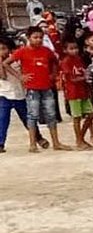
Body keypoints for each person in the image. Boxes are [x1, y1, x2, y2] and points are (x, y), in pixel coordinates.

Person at [9, 25, 68, 153]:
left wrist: (53, 74)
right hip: (32, 88)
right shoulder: (22, 51)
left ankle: (56, 142)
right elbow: (6, 63)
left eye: (40, 37)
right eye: (35, 37)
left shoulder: (46, 51)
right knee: (32, 115)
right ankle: (32, 144)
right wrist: (20, 76)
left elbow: (55, 62)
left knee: (51, 115)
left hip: (46, 86)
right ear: (29, 38)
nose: (38, 40)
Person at [58, 38, 93, 149]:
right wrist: (85, 78)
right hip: (73, 93)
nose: (74, 51)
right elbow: (71, 79)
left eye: (76, 48)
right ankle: (79, 140)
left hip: (83, 91)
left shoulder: (79, 59)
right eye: (71, 49)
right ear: (65, 50)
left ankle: (81, 137)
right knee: (77, 117)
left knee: (91, 114)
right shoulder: (65, 62)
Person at [0, 37, 34, 153]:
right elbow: (3, 76)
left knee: (27, 118)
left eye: (3, 49)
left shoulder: (18, 61)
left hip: (19, 94)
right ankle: (0, 143)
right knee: (3, 119)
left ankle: (37, 137)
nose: (1, 52)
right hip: (4, 94)